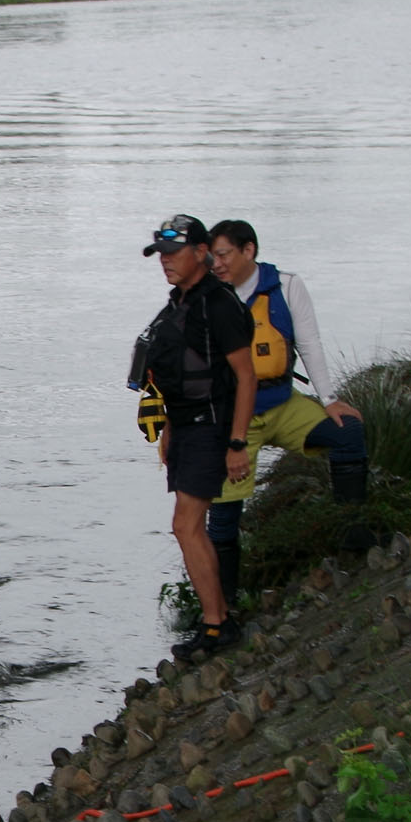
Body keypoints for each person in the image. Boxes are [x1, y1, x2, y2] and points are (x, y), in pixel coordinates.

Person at [201, 219, 371, 592]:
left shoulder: (287, 286)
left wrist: (329, 399)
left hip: (283, 402)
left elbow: (309, 343)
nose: (217, 264)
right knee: (224, 512)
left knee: (348, 434)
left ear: (249, 251)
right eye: (212, 257)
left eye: (224, 254)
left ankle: (354, 542)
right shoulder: (208, 296)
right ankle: (224, 606)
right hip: (235, 420)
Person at [131, 212, 256, 661]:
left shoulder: (218, 304)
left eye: (173, 253)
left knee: (186, 526)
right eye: (160, 254)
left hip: (211, 426)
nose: (164, 261)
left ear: (201, 253)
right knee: (188, 528)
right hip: (184, 426)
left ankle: (217, 624)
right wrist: (164, 426)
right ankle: (216, 618)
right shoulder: (181, 301)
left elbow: (246, 376)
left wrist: (237, 442)